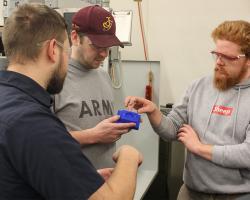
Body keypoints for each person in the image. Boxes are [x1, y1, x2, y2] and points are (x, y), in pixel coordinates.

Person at [0, 4, 142, 199]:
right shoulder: (33, 120)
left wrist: (80, 181)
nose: (103, 54)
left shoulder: (10, 100)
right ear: (54, 49)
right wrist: (129, 155)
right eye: (65, 51)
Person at [125, 20, 250, 200]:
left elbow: (247, 154)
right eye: (216, 54)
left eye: (228, 57)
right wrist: (153, 112)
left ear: (247, 60)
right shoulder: (198, 87)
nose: (218, 63)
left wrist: (199, 148)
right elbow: (172, 130)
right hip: (191, 192)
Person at [54, 5, 135, 169]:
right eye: (97, 46)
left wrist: (123, 121)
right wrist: (94, 135)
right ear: (75, 37)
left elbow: (100, 125)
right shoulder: (54, 80)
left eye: (107, 46)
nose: (104, 54)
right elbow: (42, 141)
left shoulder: (103, 76)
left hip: (106, 182)